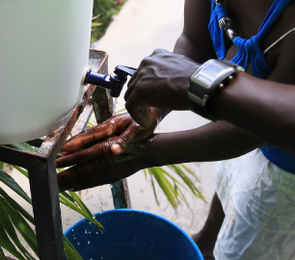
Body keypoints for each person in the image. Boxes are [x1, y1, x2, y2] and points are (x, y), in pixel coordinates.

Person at [57, 0, 295, 259]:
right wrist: (153, 110)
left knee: (246, 241)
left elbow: (259, 128)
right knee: (229, 188)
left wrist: (149, 152)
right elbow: (195, 41)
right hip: (253, 145)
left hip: (285, 173)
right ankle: (205, 243)